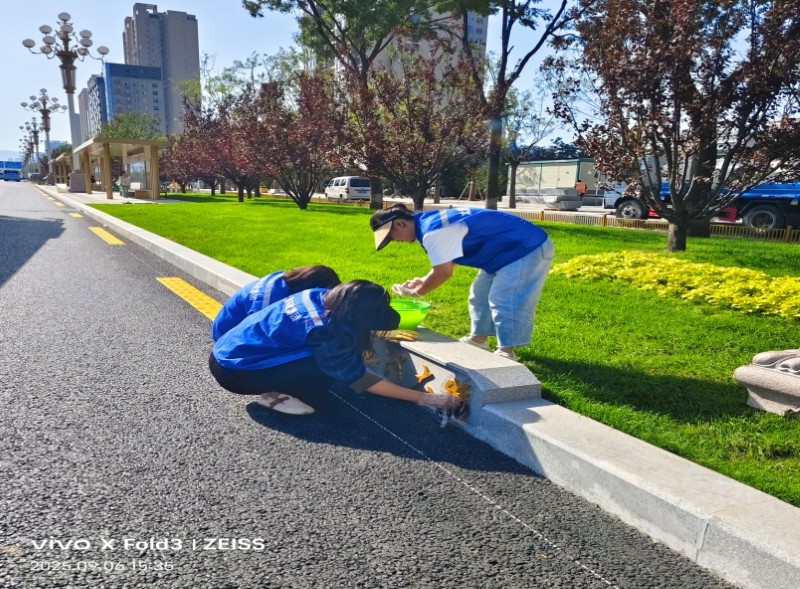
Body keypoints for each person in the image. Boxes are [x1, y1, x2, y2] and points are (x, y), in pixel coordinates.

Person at [209, 280, 461, 415]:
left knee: (329, 358)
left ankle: (278, 383)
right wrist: (426, 398)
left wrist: (381, 331)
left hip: (226, 352)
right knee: (324, 368)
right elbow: (361, 380)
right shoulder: (324, 331)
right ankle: (276, 394)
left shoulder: (320, 294)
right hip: (237, 374)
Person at [370, 204, 554, 362]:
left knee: (505, 299)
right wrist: (423, 281)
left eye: (391, 237)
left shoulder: (432, 232)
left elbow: (443, 273)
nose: (396, 241)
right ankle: (479, 340)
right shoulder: (427, 223)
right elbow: (446, 261)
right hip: (503, 251)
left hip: (526, 247)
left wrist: (417, 292)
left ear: (400, 224)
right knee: (479, 295)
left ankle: (507, 352)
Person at [211, 265, 341, 340]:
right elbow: (257, 333)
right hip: (227, 335)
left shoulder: (282, 280)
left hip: (228, 325)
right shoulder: (268, 301)